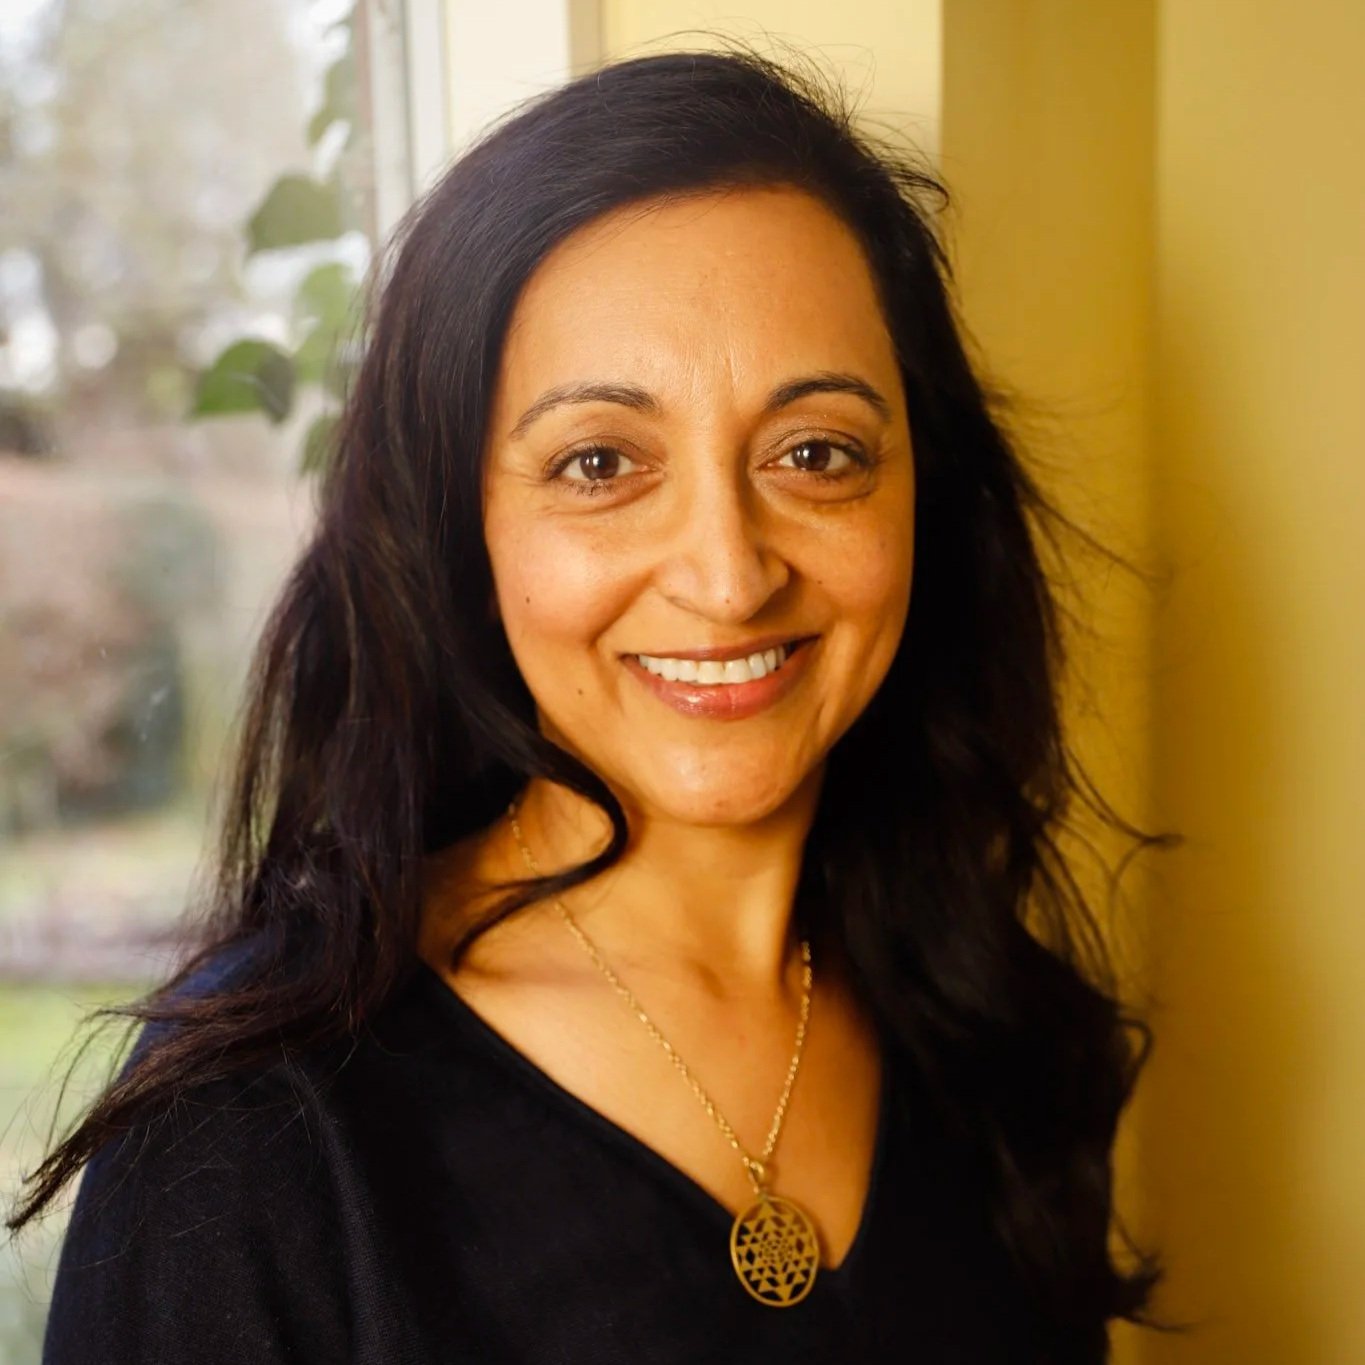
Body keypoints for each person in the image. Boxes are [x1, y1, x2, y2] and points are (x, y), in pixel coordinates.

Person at [10, 44, 1173, 1364]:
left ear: (922, 497)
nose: (729, 575)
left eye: (815, 453)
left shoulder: (985, 1022)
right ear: (461, 526)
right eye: (601, 461)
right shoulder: (250, 1147)